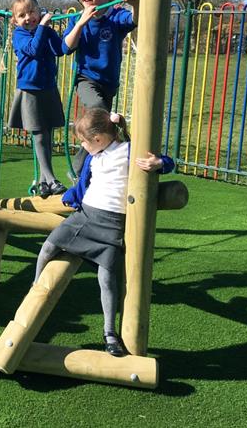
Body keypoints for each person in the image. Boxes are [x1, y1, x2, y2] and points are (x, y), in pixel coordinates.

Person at [33, 108, 174, 357]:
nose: (84, 148)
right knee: (48, 246)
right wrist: (70, 197)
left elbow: (167, 162)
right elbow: (85, 183)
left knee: (107, 277)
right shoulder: (94, 156)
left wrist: (160, 163)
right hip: (85, 216)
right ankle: (35, 289)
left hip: (112, 226)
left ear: (98, 139)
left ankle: (109, 332)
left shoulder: (127, 151)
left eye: (84, 143)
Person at [61, 0, 139, 175]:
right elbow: (66, 47)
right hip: (86, 79)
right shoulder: (77, 18)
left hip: (108, 82)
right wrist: (81, 23)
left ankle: (96, 169)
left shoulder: (115, 16)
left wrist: (135, 4)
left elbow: (135, 20)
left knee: (102, 127)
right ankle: (77, 170)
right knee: (99, 112)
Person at [7, 0, 67, 197]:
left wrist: (76, 24)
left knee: (47, 135)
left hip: (48, 87)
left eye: (32, 11)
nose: (28, 17)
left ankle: (43, 182)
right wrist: (42, 27)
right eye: (21, 15)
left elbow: (61, 50)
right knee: (39, 134)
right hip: (30, 89)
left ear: (39, 11)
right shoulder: (19, 34)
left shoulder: (47, 32)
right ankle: (52, 179)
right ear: (15, 20)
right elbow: (33, 49)